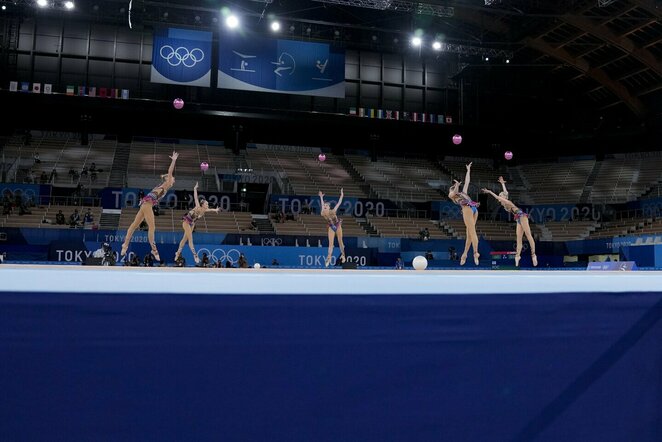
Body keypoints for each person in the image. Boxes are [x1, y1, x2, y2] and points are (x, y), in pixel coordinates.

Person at [120, 151, 178, 261]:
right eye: (172, 179)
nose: (173, 180)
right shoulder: (166, 184)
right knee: (152, 227)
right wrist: (173, 160)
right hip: (147, 205)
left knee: (134, 225)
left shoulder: (163, 186)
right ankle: (154, 249)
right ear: (168, 179)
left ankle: (125, 245)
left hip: (145, 205)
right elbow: (170, 171)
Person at [482, 176, 537, 267]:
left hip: (522, 216)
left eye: (501, 196)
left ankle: (533, 255)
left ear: (503, 198)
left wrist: (489, 191)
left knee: (528, 235)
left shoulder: (507, 202)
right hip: (518, 219)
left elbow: (500, 196)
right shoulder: (504, 203)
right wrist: (502, 184)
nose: (500, 197)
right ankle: (517, 256)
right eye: (500, 196)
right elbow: (505, 193)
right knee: (518, 238)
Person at [174, 182, 220, 264]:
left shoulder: (204, 210)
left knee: (184, 239)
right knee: (190, 240)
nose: (208, 204)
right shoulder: (198, 206)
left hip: (192, 224)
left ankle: (177, 253)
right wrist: (195, 188)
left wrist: (216, 210)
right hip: (186, 222)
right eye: (206, 204)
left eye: (208, 204)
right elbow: (195, 197)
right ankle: (195, 255)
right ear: (203, 204)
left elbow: (211, 210)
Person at [448, 162, 480, 266]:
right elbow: (453, 192)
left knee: (470, 234)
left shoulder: (463, 193)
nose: (454, 187)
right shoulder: (453, 195)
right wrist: (456, 185)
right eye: (452, 187)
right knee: (472, 232)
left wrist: (468, 170)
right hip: (467, 209)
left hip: (474, 209)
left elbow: (467, 181)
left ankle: (465, 254)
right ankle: (475, 253)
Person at [319, 187, 346, 267]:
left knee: (340, 242)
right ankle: (329, 258)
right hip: (331, 227)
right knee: (331, 244)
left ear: (329, 207)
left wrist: (342, 195)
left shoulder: (333, 211)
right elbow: (322, 204)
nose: (325, 206)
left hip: (338, 226)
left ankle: (343, 255)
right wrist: (321, 197)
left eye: (326, 205)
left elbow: (339, 203)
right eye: (324, 205)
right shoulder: (323, 213)